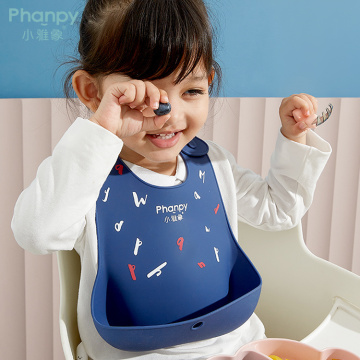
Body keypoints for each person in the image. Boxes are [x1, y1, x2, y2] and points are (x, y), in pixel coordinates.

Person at [11, 0, 332, 359]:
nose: (170, 115)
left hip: (238, 345)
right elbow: (34, 233)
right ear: (92, 92)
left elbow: (279, 211)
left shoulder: (212, 163)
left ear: (209, 82)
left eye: (192, 91)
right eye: (142, 96)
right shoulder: (86, 177)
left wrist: (294, 139)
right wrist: (101, 131)